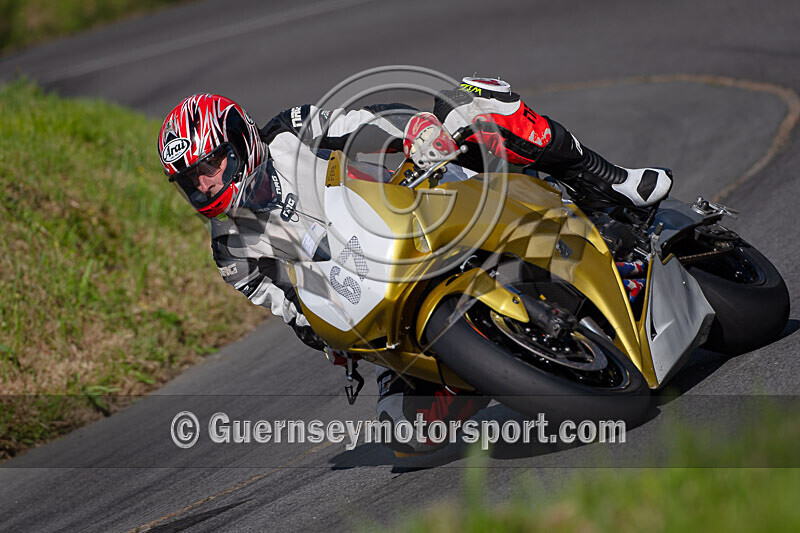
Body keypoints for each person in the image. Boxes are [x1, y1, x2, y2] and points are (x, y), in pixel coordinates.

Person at [157, 77, 672, 454]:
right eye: (190, 180)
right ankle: (499, 365)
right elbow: (289, 308)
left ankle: (608, 179)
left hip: (419, 197)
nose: (204, 185)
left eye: (210, 165)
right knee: (408, 435)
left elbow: (365, 121)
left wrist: (416, 132)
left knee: (477, 108)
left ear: (240, 140)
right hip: (381, 292)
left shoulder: (289, 135)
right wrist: (332, 343)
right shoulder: (231, 250)